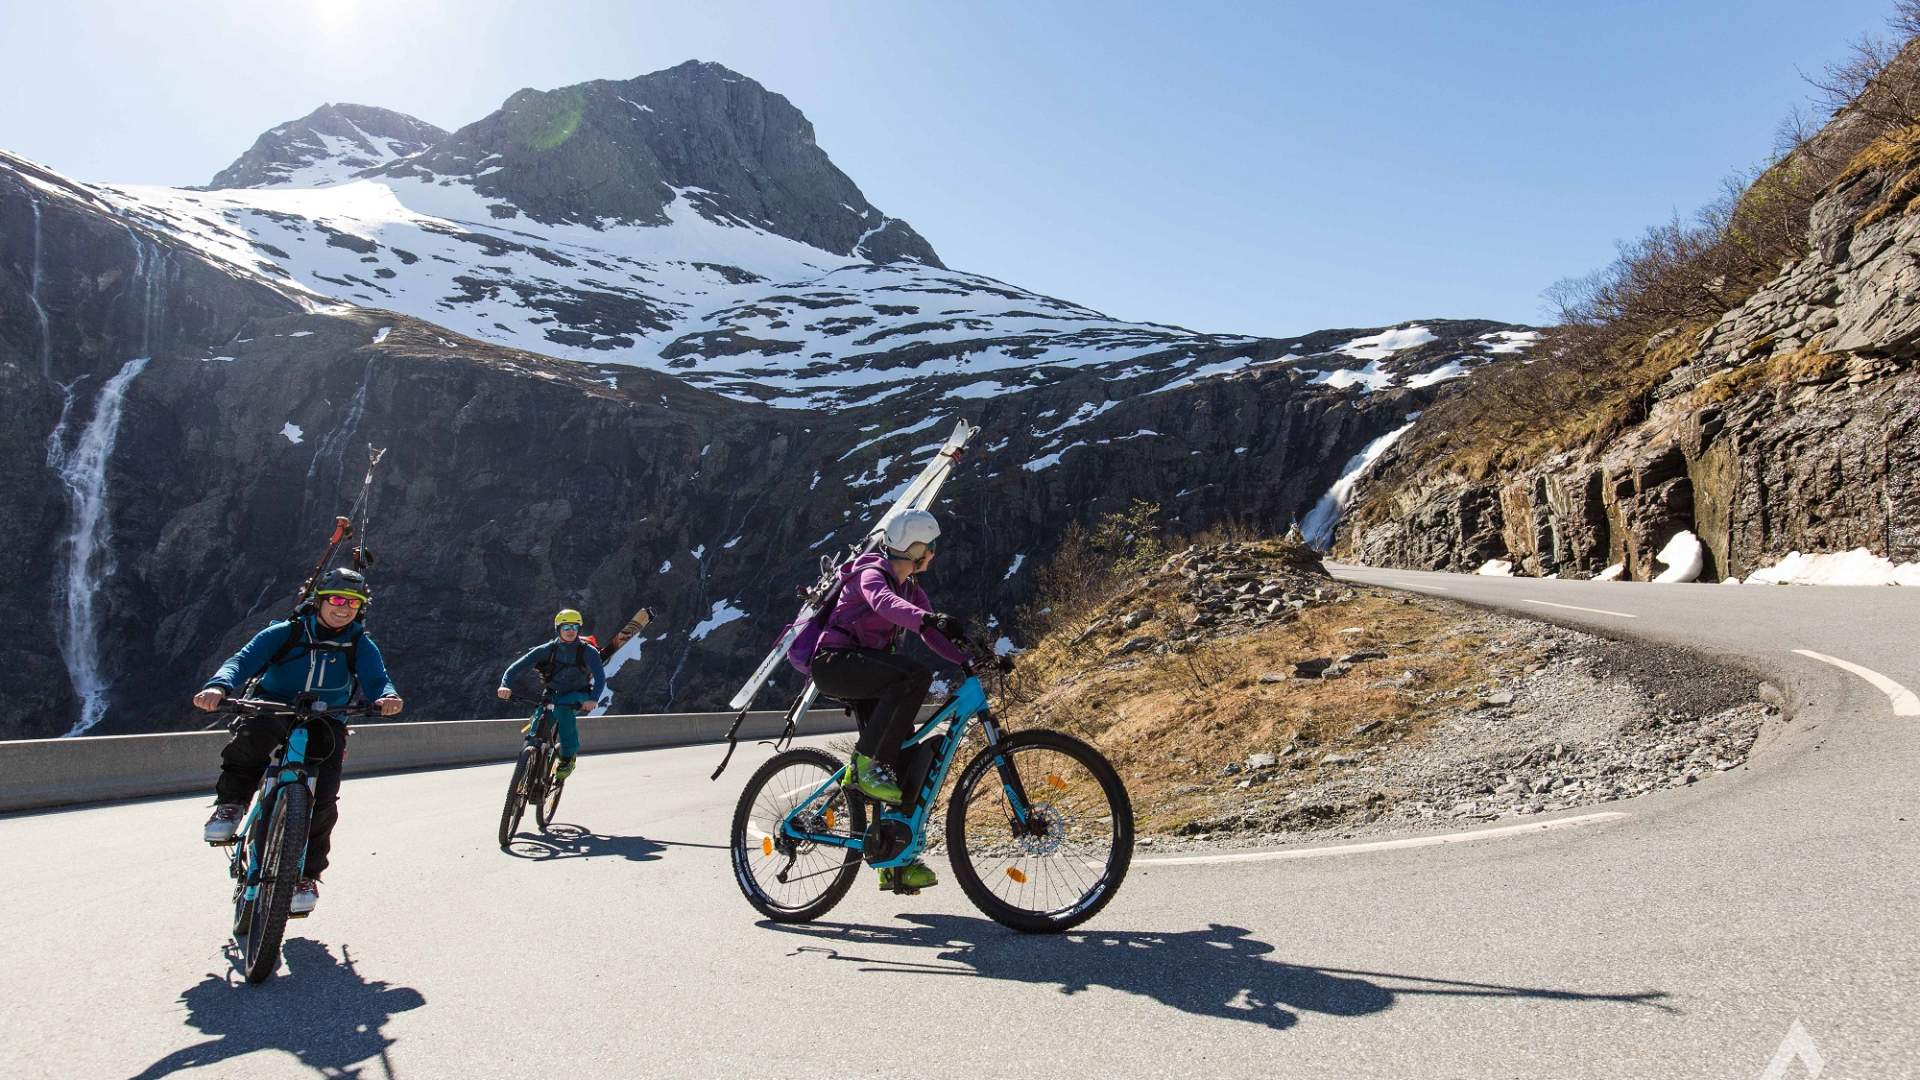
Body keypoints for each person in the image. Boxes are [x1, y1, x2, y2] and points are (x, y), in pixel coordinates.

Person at [194, 567, 403, 915]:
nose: (344, 607)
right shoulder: (286, 632)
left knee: (323, 801)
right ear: (319, 600)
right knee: (251, 741)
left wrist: (388, 696)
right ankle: (230, 805)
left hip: (326, 718)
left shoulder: (359, 644)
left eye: (353, 602)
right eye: (337, 599)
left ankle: (305, 876)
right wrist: (219, 686)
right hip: (272, 707)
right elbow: (242, 661)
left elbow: (378, 679)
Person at [809, 509, 969, 892]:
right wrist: (927, 620)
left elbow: (931, 631)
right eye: (930, 547)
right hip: (835, 662)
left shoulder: (911, 589)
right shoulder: (872, 573)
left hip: (871, 676)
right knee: (914, 675)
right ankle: (864, 765)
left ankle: (892, 862)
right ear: (917, 549)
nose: (932, 553)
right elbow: (884, 605)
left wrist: (973, 659)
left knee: (904, 761)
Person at [496, 609, 607, 780]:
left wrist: (593, 699)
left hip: (578, 694)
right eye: (566, 627)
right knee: (535, 731)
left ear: (579, 629)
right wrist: (505, 685)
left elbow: (600, 678)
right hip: (552, 694)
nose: (570, 631)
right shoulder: (547, 649)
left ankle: (568, 758)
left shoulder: (588, 651)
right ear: (558, 629)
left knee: (563, 711)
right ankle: (529, 768)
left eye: (574, 627)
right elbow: (515, 668)